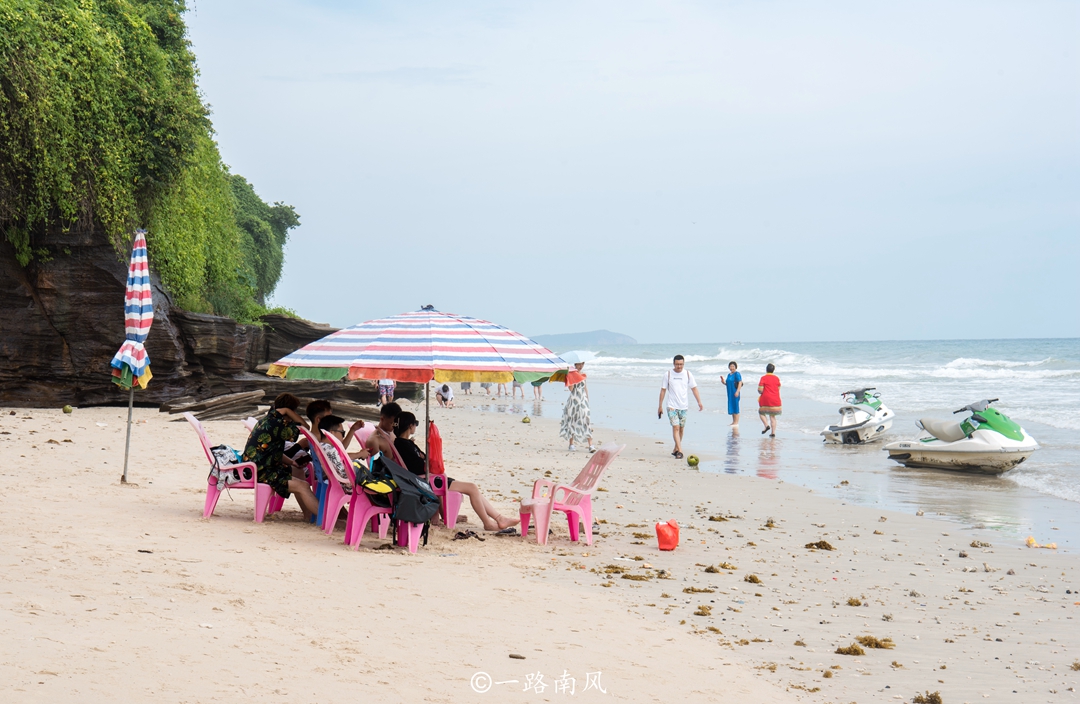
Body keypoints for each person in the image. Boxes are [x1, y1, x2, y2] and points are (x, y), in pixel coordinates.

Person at [394, 412, 519, 531]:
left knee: (472, 489)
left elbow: (423, 459)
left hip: (425, 478)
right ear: (410, 425)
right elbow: (420, 465)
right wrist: (424, 459)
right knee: (472, 488)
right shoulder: (403, 445)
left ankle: (499, 518)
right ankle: (488, 523)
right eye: (416, 423)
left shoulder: (405, 443)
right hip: (424, 480)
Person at [241, 393, 319, 521]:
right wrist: (288, 411)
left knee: (298, 471)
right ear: (289, 411)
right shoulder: (278, 425)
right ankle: (323, 519)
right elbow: (306, 427)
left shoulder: (267, 420)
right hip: (263, 472)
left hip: (260, 465)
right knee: (303, 486)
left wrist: (292, 463)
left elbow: (271, 451)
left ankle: (308, 515)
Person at [657, 354, 703, 460]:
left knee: (681, 429)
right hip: (671, 406)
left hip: (683, 406)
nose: (679, 366)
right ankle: (680, 451)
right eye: (677, 364)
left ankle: (675, 449)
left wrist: (699, 402)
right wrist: (660, 406)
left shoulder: (687, 374)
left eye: (681, 364)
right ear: (674, 364)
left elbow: (694, 388)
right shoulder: (668, 374)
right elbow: (663, 390)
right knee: (676, 427)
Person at [559, 362, 594, 452]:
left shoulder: (583, 374)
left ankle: (591, 445)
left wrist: (587, 397)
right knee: (572, 421)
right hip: (574, 400)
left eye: (583, 364)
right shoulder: (571, 374)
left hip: (583, 400)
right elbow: (571, 389)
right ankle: (571, 444)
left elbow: (585, 387)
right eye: (579, 364)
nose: (581, 366)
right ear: (575, 364)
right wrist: (571, 379)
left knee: (586, 420)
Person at [757, 363, 782, 437]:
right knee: (773, 416)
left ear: (766, 369)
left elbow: (760, 390)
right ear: (773, 370)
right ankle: (773, 432)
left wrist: (760, 391)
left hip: (766, 399)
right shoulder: (776, 378)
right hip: (775, 399)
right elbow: (778, 388)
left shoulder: (763, 378)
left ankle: (766, 425)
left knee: (761, 412)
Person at [722, 361, 743, 427]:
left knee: (735, 406)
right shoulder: (729, 375)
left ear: (735, 367)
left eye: (733, 366)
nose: (731, 368)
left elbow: (740, 382)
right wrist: (723, 382)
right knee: (731, 405)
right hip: (730, 392)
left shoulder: (737, 374)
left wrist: (737, 391)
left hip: (735, 392)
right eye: (730, 366)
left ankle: (736, 422)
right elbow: (728, 384)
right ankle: (733, 421)